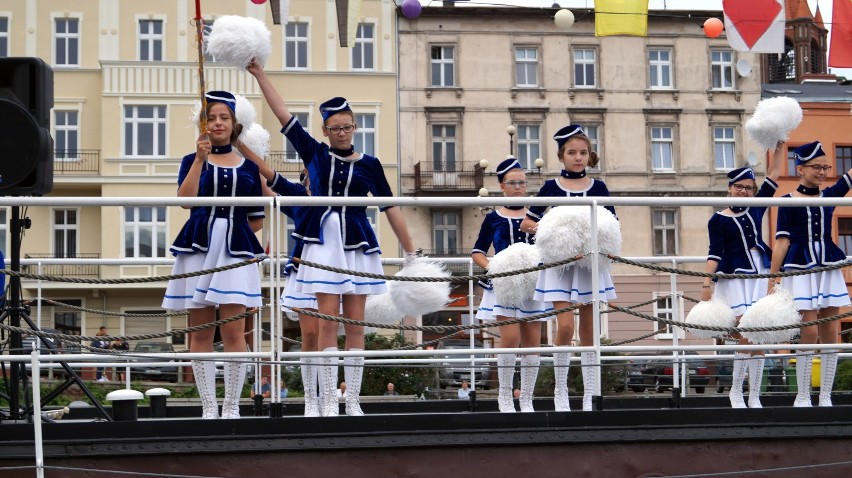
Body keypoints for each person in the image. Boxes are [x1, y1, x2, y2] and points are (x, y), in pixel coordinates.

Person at [248, 59, 417, 417]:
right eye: (335, 127)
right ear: (324, 130)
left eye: (348, 126)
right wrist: (261, 74)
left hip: (357, 243)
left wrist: (410, 251)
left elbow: (390, 207)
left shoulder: (371, 164)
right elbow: (284, 117)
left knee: (354, 325)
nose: (342, 132)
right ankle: (325, 400)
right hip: (323, 243)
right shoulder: (315, 152)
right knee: (326, 323)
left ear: (355, 127)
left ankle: (351, 399)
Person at [162, 91, 265, 420]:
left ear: (235, 124)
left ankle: (232, 407)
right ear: (202, 123)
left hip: (235, 249)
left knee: (235, 332)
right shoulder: (191, 159)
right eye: (212, 117)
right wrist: (198, 160)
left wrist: (243, 241)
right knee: (201, 333)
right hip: (198, 247)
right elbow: (186, 201)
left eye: (224, 117)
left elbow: (258, 218)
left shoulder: (250, 167)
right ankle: (209, 406)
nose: (218, 122)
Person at [520, 125, 617, 412]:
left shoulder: (598, 187)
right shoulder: (551, 187)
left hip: (588, 265)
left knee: (589, 331)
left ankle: (590, 393)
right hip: (560, 265)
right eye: (572, 153)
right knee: (565, 325)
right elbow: (527, 223)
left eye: (583, 153)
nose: (578, 158)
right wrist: (552, 232)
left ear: (590, 156)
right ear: (561, 156)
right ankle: (560, 390)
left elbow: (612, 223)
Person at [239, 147, 324, 417]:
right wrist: (242, 146)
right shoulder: (298, 195)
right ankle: (311, 398)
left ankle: (329, 397)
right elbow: (268, 179)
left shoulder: (333, 193)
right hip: (303, 266)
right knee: (310, 334)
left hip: (332, 267)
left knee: (328, 336)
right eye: (309, 172)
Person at [768, 141, 852, 407]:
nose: (823, 171)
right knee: (808, 329)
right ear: (800, 168)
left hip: (827, 265)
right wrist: (772, 277)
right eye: (817, 167)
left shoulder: (830, 195)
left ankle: (826, 394)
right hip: (801, 267)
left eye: (826, 167)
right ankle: (803, 394)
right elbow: (782, 241)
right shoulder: (788, 202)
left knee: (831, 328)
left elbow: (849, 177)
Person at [703, 146, 783, 408]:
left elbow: (774, 177)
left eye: (749, 188)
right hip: (734, 278)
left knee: (757, 334)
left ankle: (755, 394)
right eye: (740, 187)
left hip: (759, 273)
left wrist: (779, 145)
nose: (745, 192)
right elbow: (714, 253)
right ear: (730, 187)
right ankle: (736, 391)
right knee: (744, 334)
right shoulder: (717, 219)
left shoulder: (756, 208)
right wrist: (707, 283)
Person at [472, 158, 550, 413]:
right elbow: (478, 251)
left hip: (532, 283)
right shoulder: (493, 217)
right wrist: (493, 268)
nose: (518, 187)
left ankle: (526, 398)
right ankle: (505, 397)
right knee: (510, 337)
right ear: (502, 186)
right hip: (504, 284)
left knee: (532, 342)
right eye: (512, 183)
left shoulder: (536, 214)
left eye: (522, 183)